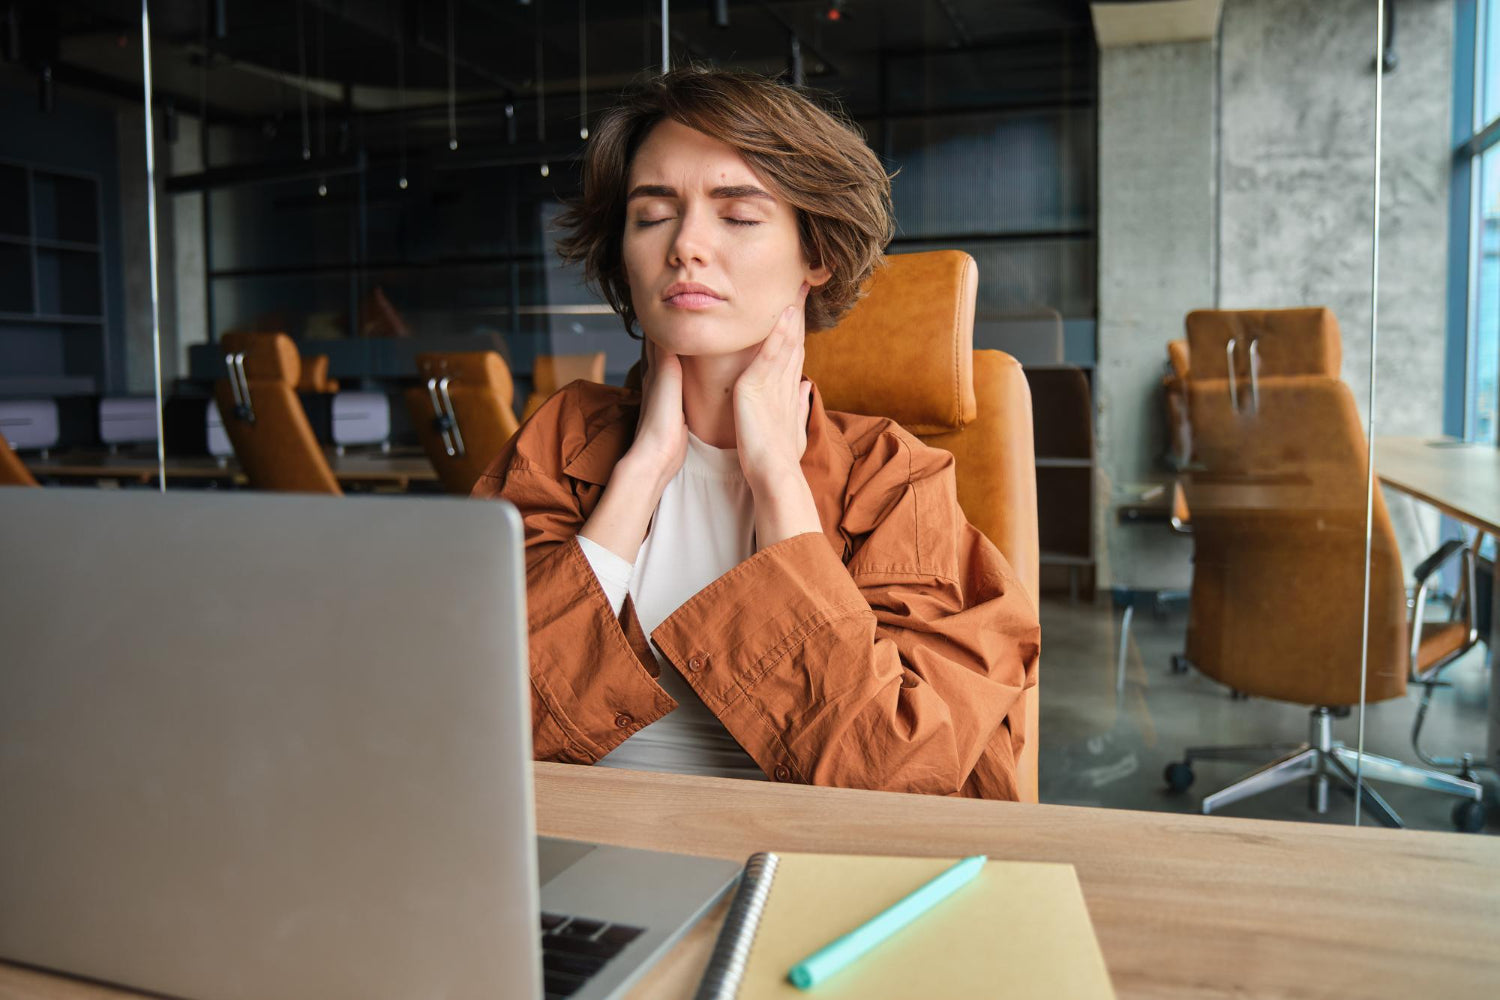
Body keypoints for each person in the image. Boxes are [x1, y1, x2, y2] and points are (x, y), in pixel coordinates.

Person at [472, 67, 1039, 799]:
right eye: (651, 216)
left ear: (817, 256)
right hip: (571, 858)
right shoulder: (564, 439)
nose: (686, 246)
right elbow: (472, 719)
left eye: (738, 216)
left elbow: (897, 784)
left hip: (800, 871)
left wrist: (777, 480)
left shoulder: (893, 478)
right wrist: (642, 471)